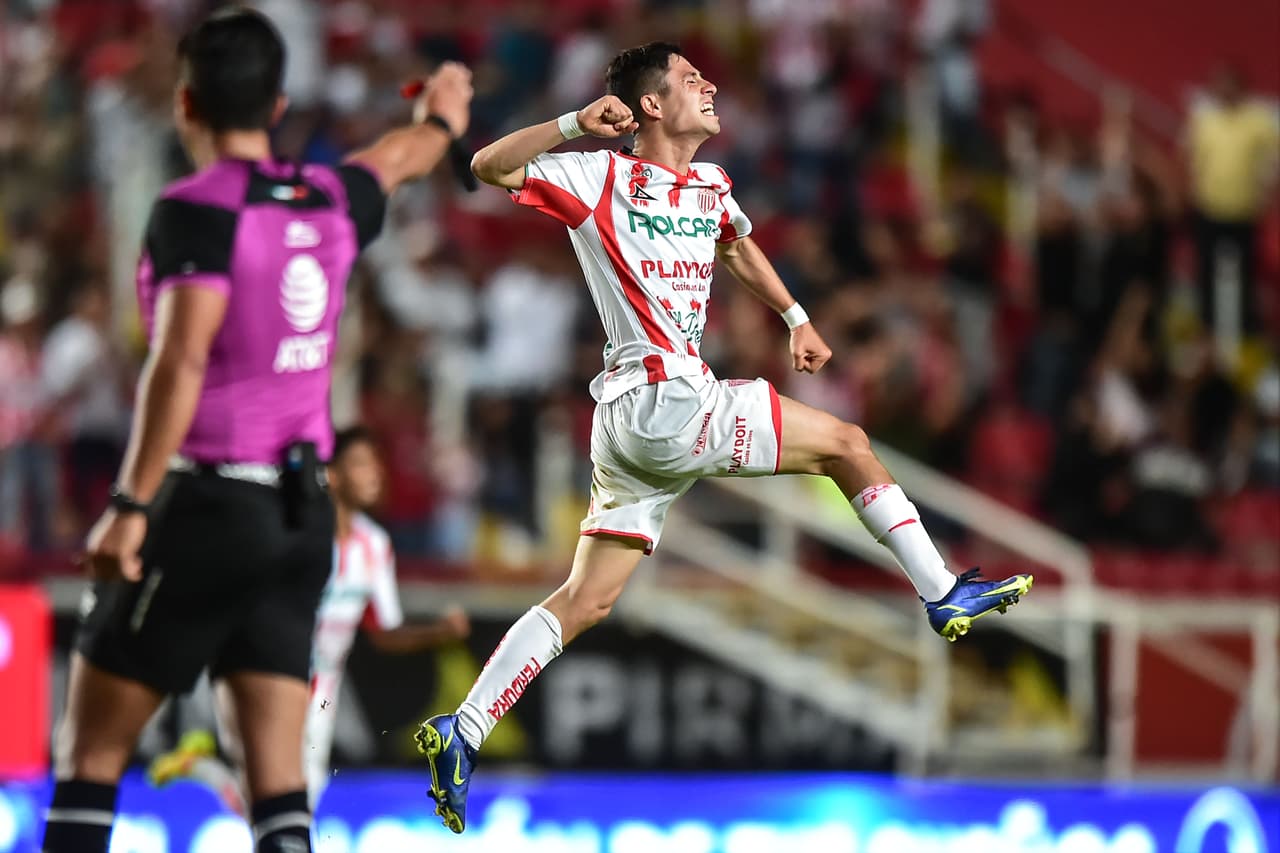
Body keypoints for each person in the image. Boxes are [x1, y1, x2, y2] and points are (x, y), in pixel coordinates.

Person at [415, 41, 1033, 834]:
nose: (708, 84)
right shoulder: (599, 175)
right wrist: (571, 123)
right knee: (846, 444)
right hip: (667, 397)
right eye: (688, 78)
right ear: (650, 105)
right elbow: (487, 166)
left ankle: (463, 730)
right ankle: (942, 590)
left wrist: (795, 316)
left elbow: (736, 242)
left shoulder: (709, 185)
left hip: (629, 424)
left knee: (587, 599)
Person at [42, 9, 473, 853]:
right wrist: (444, 118)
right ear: (278, 105)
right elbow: (400, 157)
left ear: (185, 103)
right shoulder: (329, 198)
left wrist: (129, 506)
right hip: (300, 518)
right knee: (278, 783)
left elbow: (181, 359)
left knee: (90, 753)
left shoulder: (195, 210)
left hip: (210, 505)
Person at [147, 426, 471, 813]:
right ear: (331, 475)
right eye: (361, 464)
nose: (375, 474)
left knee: (296, 798)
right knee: (276, 795)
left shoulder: (376, 545)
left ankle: (203, 769)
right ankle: (206, 769)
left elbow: (383, 633)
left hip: (324, 689)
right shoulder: (295, 534)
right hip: (274, 674)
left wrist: (439, 631)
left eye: (376, 464)